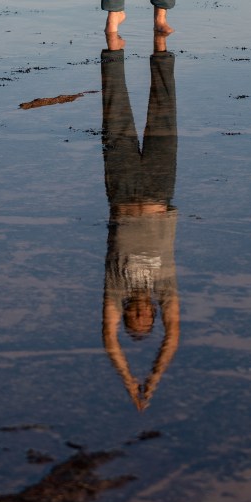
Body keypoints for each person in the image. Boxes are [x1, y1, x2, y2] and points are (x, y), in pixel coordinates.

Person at [100, 36, 180, 411]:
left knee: (115, 115)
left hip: (121, 190)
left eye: (132, 319)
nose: (138, 314)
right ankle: (160, 41)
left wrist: (128, 379)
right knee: (164, 112)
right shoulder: (165, 290)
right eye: (145, 319)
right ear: (154, 315)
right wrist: (155, 376)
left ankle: (113, 44)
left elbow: (109, 338)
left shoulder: (116, 289)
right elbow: (173, 337)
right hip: (159, 191)